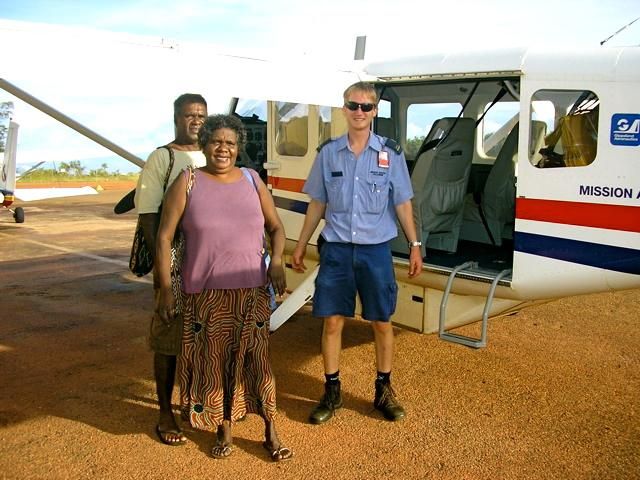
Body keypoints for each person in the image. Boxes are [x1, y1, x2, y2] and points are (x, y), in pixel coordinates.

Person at [155, 114, 293, 461]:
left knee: (257, 363)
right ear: (204, 145)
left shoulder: (252, 180)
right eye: (217, 141)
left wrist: (276, 262)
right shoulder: (187, 181)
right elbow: (164, 236)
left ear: (238, 148)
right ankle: (224, 428)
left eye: (230, 143)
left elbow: (276, 228)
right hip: (205, 293)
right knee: (215, 365)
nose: (223, 149)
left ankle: (270, 430)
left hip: (251, 291)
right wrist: (165, 289)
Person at [292, 81, 423, 424]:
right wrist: (303, 243)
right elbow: (317, 203)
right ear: (344, 109)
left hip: (375, 250)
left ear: (375, 111)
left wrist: (415, 245)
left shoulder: (390, 153)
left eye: (366, 107)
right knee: (333, 321)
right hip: (336, 249)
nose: (359, 112)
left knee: (382, 322)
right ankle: (332, 390)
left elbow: (403, 203)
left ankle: (383, 390)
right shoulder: (328, 153)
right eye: (353, 105)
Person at [134, 93, 207, 446]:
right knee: (168, 338)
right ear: (176, 117)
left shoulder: (215, 154)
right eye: (190, 115)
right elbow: (149, 218)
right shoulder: (161, 158)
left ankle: (192, 404)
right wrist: (163, 276)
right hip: (175, 260)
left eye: (202, 115)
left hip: (209, 261)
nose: (196, 121)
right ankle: (165, 411)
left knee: (203, 337)